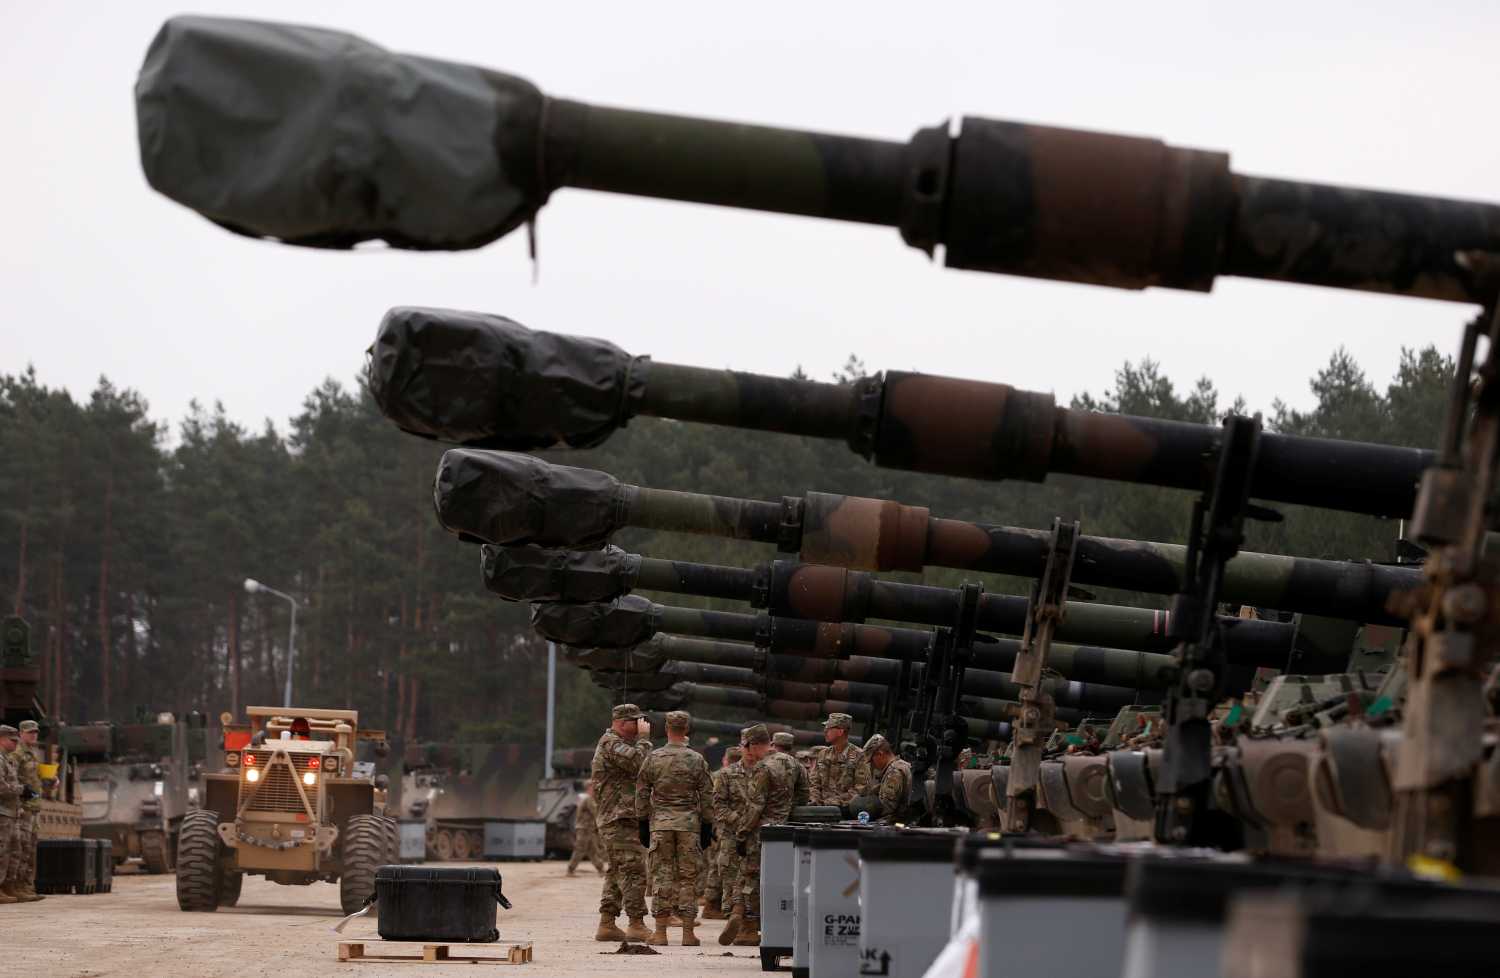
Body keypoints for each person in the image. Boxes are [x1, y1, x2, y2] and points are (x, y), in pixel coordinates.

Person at [721, 724, 808, 947]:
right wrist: (786, 814)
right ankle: (763, 922)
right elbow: (803, 795)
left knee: (749, 876)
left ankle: (747, 926)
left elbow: (755, 806)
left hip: (761, 831)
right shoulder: (793, 762)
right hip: (786, 830)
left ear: (753, 745)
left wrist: (742, 833)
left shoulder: (763, 768)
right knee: (777, 879)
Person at [636, 711, 713, 946]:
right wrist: (707, 825)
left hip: (660, 825)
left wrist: (642, 822)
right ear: (686, 729)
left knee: (661, 876)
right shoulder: (697, 759)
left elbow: (641, 792)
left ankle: (660, 933)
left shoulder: (653, 758)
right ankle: (688, 933)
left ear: (666, 729)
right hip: (689, 826)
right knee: (688, 878)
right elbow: (707, 795)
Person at [590, 704, 653, 942]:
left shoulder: (619, 743)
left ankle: (607, 923)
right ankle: (636, 923)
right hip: (618, 818)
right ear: (621, 722)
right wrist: (644, 739)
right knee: (633, 870)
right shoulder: (611, 743)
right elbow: (640, 763)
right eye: (635, 722)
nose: (640, 726)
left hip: (621, 817)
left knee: (618, 870)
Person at [706, 745, 747, 920]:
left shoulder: (717, 775)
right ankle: (720, 905)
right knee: (725, 866)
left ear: (725, 759)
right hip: (728, 827)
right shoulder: (727, 775)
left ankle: (716, 904)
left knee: (720, 865)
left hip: (720, 826)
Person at [6, 721, 43, 902]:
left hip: (33, 806)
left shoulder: (31, 753)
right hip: (22, 807)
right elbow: (12, 779)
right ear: (21, 733)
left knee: (30, 848)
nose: (33, 735)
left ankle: (26, 886)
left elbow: (31, 779)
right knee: (21, 847)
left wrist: (48, 782)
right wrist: (19, 803)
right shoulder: (17, 753)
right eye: (29, 732)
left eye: (35, 732)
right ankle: (15, 886)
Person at [844, 734, 912, 825]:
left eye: (872, 760)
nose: (872, 765)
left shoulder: (894, 771)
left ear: (880, 754)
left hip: (890, 824)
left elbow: (888, 806)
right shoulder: (895, 767)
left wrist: (863, 806)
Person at [809, 713, 867, 806]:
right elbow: (814, 783)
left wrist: (833, 802)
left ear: (840, 732)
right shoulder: (823, 754)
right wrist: (815, 800)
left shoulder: (859, 756)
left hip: (843, 808)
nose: (825, 731)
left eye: (829, 728)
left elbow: (861, 789)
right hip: (820, 808)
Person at [0, 726, 23, 905]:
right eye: (12, 740)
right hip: (2, 812)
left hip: (10, 812)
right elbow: (1, 787)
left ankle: (8, 885)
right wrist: (22, 790)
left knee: (13, 850)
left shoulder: (8, 760)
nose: (15, 744)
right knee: (1, 851)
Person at [567, 782, 605, 876]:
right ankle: (570, 869)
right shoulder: (588, 799)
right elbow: (595, 812)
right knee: (580, 849)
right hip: (584, 829)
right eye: (594, 787)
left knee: (592, 850)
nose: (596, 789)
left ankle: (600, 869)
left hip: (587, 828)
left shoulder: (585, 798)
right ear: (589, 788)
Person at [770, 731, 811, 804]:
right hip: (791, 808)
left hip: (768, 808)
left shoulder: (767, 762)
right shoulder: (799, 766)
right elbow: (804, 794)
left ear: (773, 745)